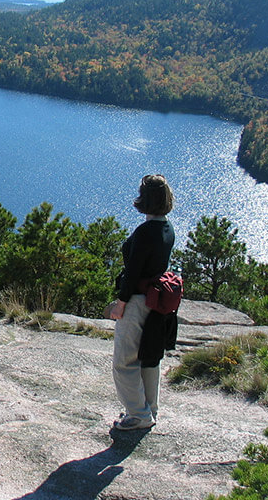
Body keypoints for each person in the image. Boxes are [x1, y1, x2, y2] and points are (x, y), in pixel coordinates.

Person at [109, 174, 175, 430]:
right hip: (155, 302)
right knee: (149, 357)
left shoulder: (145, 232)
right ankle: (150, 409)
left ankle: (138, 415)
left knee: (124, 361)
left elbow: (134, 271)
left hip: (136, 301)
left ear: (144, 199)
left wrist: (120, 304)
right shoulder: (167, 229)